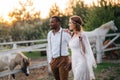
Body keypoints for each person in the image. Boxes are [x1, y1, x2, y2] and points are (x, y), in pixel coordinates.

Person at [68, 15, 97, 80]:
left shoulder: (82, 35)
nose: (69, 24)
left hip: (81, 61)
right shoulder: (72, 34)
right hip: (74, 61)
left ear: (75, 24)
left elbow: (85, 51)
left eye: (70, 23)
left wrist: (81, 41)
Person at [47, 16, 71, 80]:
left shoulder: (65, 33)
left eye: (52, 22)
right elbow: (49, 48)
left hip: (63, 60)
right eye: (50, 22)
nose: (50, 24)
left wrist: (70, 60)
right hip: (53, 60)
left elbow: (73, 46)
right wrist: (50, 61)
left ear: (58, 23)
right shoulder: (49, 34)